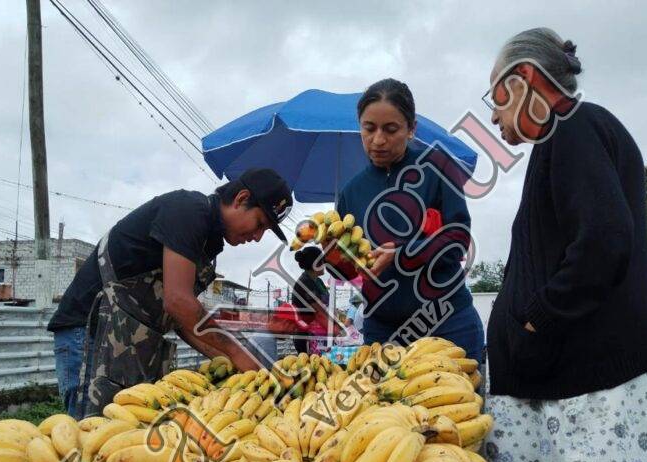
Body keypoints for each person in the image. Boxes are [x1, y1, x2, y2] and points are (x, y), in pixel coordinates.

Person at [482, 28, 647, 462]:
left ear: (526, 82)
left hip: (592, 391)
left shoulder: (576, 128)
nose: (494, 119)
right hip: (574, 388)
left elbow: (605, 238)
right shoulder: (565, 140)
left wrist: (535, 321)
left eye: (496, 99)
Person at [47, 168, 293, 418]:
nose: (258, 236)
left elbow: (181, 319)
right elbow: (178, 302)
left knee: (122, 430)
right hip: (89, 331)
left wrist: (225, 360)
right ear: (240, 199)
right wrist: (237, 351)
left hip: (123, 342)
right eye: (260, 223)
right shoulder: (188, 211)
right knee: (91, 434)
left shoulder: (208, 243)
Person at [336, 78, 484, 361]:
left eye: (391, 129)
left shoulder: (438, 167)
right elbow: (350, 269)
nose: (378, 140)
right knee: (383, 405)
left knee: (457, 404)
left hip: (448, 321)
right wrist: (334, 260)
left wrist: (402, 253)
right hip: (383, 331)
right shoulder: (351, 192)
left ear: (411, 129)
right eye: (369, 128)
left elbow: (457, 240)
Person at [290, 246, 329, 355]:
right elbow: (319, 311)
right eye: (322, 261)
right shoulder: (304, 283)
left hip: (321, 333)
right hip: (307, 336)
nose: (324, 264)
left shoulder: (318, 281)